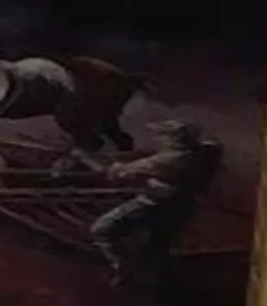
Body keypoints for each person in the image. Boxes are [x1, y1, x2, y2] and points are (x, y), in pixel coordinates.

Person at [89, 118, 224, 286]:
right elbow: (211, 146)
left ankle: (123, 265)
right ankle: (154, 276)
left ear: (174, 140)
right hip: (185, 207)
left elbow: (120, 174)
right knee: (158, 245)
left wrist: (115, 167)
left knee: (101, 230)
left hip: (155, 205)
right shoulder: (205, 154)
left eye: (163, 135)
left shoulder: (167, 160)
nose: (158, 138)